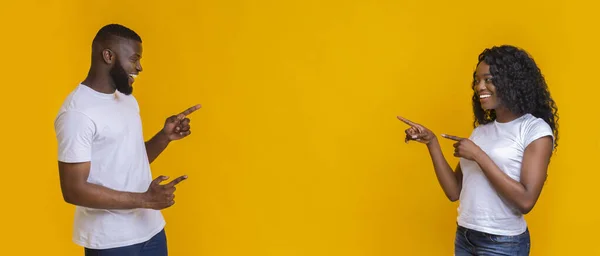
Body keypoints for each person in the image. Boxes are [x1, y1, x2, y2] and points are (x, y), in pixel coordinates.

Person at [54, 23, 200, 256]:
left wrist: (165, 137)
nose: (140, 67)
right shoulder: (77, 113)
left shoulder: (126, 101)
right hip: (111, 241)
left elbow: (129, 161)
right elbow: (73, 190)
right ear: (108, 55)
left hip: (151, 230)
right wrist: (145, 200)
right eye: (134, 59)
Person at [397, 45, 559, 255]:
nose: (479, 86)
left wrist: (478, 155)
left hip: (503, 243)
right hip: (465, 236)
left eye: (489, 79)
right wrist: (432, 142)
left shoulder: (534, 130)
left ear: (512, 81)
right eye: (477, 80)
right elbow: (454, 191)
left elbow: (526, 201)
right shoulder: (481, 133)